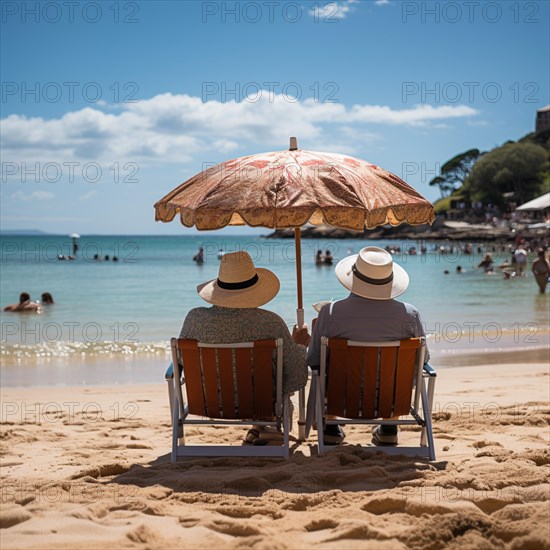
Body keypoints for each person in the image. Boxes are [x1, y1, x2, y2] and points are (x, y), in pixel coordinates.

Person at [179, 251, 310, 444]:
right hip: (259, 404)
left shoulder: (194, 319)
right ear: (255, 289)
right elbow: (295, 376)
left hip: (208, 404)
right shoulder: (270, 323)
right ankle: (265, 425)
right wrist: (299, 344)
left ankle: (258, 429)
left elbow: (182, 361)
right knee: (279, 374)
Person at [307, 246, 428, 446]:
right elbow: (424, 359)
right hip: (392, 400)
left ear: (353, 278)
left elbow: (313, 360)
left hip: (342, 398)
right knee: (398, 373)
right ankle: (389, 428)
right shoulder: (410, 314)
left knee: (324, 366)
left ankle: (330, 428)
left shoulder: (330, 313)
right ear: (389, 281)